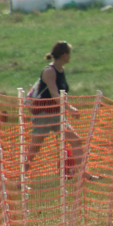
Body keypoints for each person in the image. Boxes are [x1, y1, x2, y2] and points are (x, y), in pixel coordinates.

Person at [23, 41, 89, 176]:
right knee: (34, 150)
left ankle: (83, 174)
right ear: (64, 54)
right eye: (69, 53)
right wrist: (70, 108)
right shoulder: (49, 71)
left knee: (76, 140)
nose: (70, 56)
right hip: (43, 115)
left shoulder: (61, 71)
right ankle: (20, 178)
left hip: (57, 114)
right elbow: (55, 95)